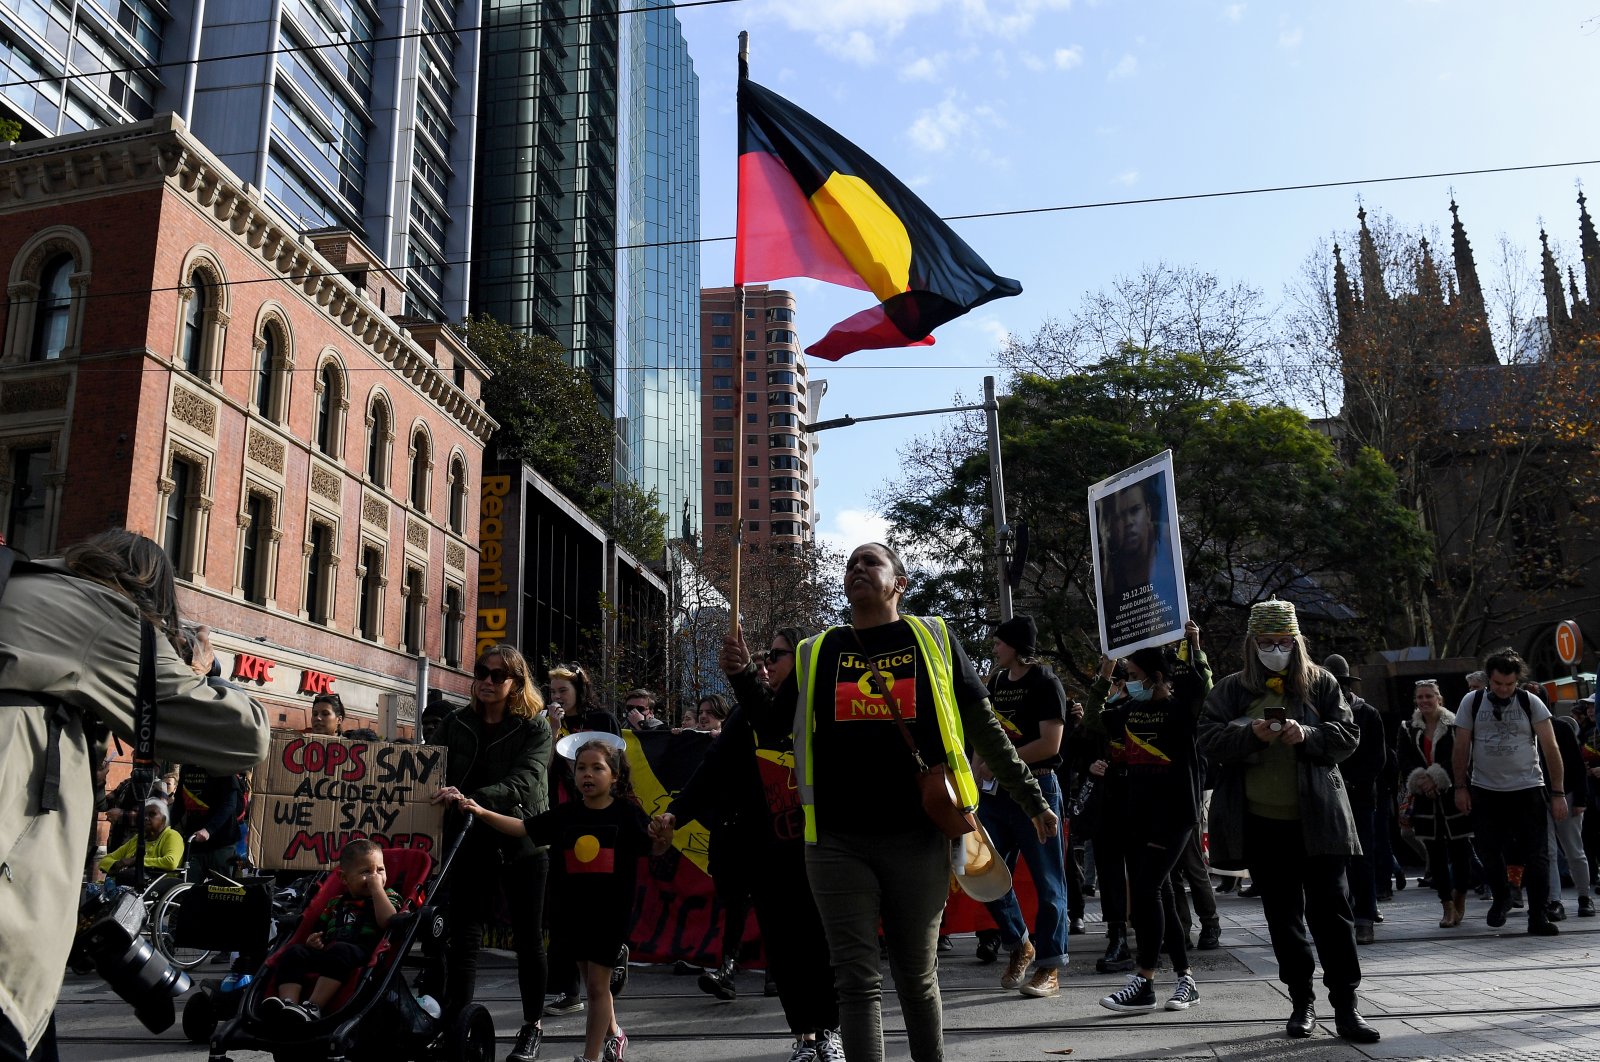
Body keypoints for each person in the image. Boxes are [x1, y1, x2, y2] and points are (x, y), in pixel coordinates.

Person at [721, 542, 1055, 1062]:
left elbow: (985, 729)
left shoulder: (935, 638)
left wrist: (1031, 798)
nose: (857, 568)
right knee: (855, 982)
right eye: (850, 562)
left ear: (899, 582)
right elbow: (771, 727)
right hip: (834, 840)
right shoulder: (817, 651)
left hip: (919, 836)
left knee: (916, 978)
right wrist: (743, 678)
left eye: (870, 561)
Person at [0, 530, 268, 1062]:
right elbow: (246, 737)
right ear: (150, 594)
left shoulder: (21, 586)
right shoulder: (104, 613)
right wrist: (206, 671)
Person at [1197, 598, 1379, 1044]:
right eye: (1267, 642)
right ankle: (1301, 1002)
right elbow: (1206, 738)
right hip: (1261, 823)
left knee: (1333, 915)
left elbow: (1348, 735)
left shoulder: (1321, 684)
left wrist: (1309, 735)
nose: (1276, 648)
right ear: (1252, 643)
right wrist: (1248, 735)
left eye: (1283, 641)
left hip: (1319, 822)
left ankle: (1346, 1007)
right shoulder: (1231, 689)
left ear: (1297, 642)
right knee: (1283, 917)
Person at [673, 626, 844, 1062]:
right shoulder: (744, 718)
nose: (768, 663)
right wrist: (676, 814)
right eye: (764, 655)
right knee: (784, 949)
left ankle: (831, 1031)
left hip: (820, 848)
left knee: (821, 945)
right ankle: (805, 1035)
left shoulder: (824, 705)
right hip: (765, 852)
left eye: (778, 655)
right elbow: (711, 769)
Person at [459, 740, 674, 1062]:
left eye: (597, 768)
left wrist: (664, 841)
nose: (587, 774)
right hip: (571, 913)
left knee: (598, 988)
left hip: (608, 915)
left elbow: (653, 849)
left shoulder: (627, 813)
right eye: (581, 768)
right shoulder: (566, 814)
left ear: (614, 776)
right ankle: (615, 1034)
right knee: (592, 983)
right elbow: (521, 828)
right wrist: (480, 810)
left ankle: (590, 1058)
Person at [429, 645, 554, 1062]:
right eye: (481, 672)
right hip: (469, 841)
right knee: (463, 936)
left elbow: (527, 782)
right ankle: (456, 1026)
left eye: (497, 675)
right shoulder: (454, 723)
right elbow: (430, 770)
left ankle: (532, 1025)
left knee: (528, 938)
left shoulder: (534, 729)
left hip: (521, 841)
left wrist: (473, 799)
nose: (486, 680)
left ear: (516, 684)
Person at [1093, 622, 1212, 1016]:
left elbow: (1198, 685)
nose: (1130, 682)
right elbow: (1096, 717)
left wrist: (1192, 646)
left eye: (1134, 675)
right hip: (1137, 815)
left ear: (1157, 677)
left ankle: (1144, 979)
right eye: (1127, 676)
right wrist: (1106, 675)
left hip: (1174, 815)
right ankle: (1185, 980)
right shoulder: (1128, 710)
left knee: (1145, 891)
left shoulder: (1180, 710)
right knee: (1156, 892)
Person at [973, 614, 1072, 1000]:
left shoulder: (1046, 682)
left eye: (999, 642)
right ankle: (1019, 943)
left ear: (1015, 646)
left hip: (1039, 788)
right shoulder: (996, 682)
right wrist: (979, 763)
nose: (994, 648)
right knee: (984, 873)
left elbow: (1050, 744)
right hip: (995, 794)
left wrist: (1003, 760)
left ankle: (1049, 965)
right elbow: (985, 731)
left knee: (1049, 883)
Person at [1450, 648, 1565, 935]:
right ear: (1489, 679)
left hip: (1527, 788)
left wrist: (1558, 792)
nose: (1503, 690)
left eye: (1509, 684)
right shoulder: (1472, 702)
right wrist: (1460, 786)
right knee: (1488, 850)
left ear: (1518, 681)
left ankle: (1537, 916)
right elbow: (1461, 746)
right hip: (1485, 789)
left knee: (1537, 855)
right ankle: (1502, 895)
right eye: (1498, 684)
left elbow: (1551, 748)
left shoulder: (1531, 702)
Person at [260, 839, 399, 1022]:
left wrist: (376, 889)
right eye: (366, 872)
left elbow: (388, 921)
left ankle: (313, 1006)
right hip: (329, 952)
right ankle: (288, 1003)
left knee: (340, 950)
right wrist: (313, 940)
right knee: (294, 952)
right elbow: (320, 928)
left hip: (361, 952)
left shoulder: (388, 896)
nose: (375, 876)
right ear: (344, 878)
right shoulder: (335, 902)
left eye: (380, 870)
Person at [1323, 654, 1388, 945]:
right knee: (1333, 860)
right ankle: (1342, 913)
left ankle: (1364, 915)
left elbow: (1377, 758)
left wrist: (1353, 782)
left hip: (1360, 796)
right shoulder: (1319, 710)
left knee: (1363, 858)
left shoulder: (1367, 713)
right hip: (1329, 794)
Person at [1399, 680, 1473, 928]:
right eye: (1420, 697)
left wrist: (1438, 778)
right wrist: (1421, 780)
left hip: (1452, 798)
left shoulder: (1455, 726)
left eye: (1428, 696)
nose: (1424, 701)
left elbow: (1461, 757)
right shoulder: (1408, 728)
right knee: (1436, 856)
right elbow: (1405, 760)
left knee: (1461, 853)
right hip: (1425, 802)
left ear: (1438, 698)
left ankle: (1460, 896)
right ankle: (1446, 905)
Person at [1098, 477, 1180, 645]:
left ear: (1148, 512)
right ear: (1110, 525)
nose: (1128, 523)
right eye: (1119, 516)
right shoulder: (1107, 565)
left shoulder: (1167, 540)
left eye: (1135, 510)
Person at [1544, 707, 1592, 919]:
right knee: (1548, 852)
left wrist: (1580, 799)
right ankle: (1555, 900)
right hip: (1539, 796)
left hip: (1568, 793)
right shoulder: (1525, 729)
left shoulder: (1560, 728)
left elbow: (1576, 765)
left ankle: (1584, 896)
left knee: (1574, 851)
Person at [97, 798, 186, 890]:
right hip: (128, 883)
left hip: (157, 886)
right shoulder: (138, 838)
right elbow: (104, 861)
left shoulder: (172, 835)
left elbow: (171, 862)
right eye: (143, 815)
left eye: (152, 814)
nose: (146, 818)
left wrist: (136, 861)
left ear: (163, 819)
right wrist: (118, 864)